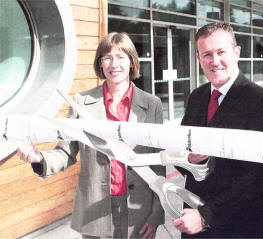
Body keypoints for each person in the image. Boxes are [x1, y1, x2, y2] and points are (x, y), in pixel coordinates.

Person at [17, 32, 165, 239]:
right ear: (100, 64)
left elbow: (158, 163)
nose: (114, 64)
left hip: (139, 210)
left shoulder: (152, 105)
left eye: (121, 57)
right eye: (107, 57)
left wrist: (157, 213)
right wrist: (38, 158)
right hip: (95, 214)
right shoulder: (81, 102)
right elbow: (65, 152)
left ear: (132, 62)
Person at [172, 22, 263, 238]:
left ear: (236, 52)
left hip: (237, 225)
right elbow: (178, 151)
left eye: (221, 52)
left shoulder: (261, 101)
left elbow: (255, 176)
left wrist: (206, 216)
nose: (215, 61)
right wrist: (188, 159)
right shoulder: (197, 96)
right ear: (199, 59)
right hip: (193, 220)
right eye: (207, 54)